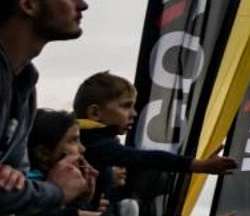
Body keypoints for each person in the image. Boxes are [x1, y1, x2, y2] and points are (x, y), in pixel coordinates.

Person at [0, 0, 94, 216]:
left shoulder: (26, 84)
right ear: (28, 3)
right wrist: (55, 192)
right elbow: (1, 192)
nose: (82, 4)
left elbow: (15, 178)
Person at [73, 70, 240, 204]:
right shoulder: (92, 141)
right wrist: (198, 165)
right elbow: (146, 158)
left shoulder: (93, 140)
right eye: (126, 106)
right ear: (95, 112)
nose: (134, 114)